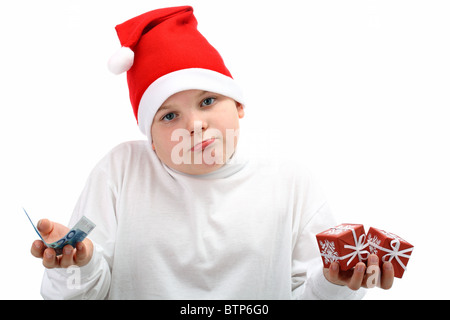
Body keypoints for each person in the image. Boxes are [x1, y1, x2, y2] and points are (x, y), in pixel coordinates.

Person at [30, 6, 394, 300]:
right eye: (169, 115)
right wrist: (77, 264)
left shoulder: (291, 182)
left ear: (238, 106)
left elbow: (311, 289)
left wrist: (336, 283)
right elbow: (74, 295)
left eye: (207, 100)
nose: (195, 124)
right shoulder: (122, 170)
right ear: (152, 140)